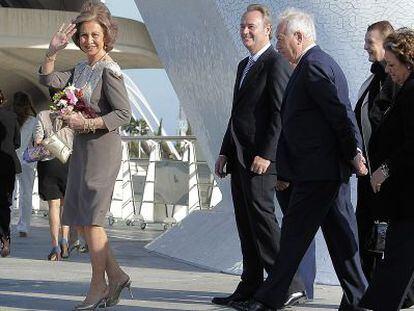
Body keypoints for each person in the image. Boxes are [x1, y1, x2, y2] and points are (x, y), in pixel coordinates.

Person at [241, 8, 369, 311]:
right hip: (323, 172)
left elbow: (340, 112)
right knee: (340, 240)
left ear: (299, 37)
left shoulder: (314, 66)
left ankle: (268, 298)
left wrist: (354, 151)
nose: (278, 44)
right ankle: (361, 300)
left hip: (318, 172)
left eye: (281, 38)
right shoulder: (314, 64)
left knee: (293, 239)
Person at [38, 1, 132, 309]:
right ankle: (116, 275)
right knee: (80, 219)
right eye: (83, 35)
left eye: (94, 34)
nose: (88, 40)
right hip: (82, 149)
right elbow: (49, 82)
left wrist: (86, 122)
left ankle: (98, 286)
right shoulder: (80, 69)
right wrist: (52, 51)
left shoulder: (110, 70)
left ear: (106, 36)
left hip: (103, 149)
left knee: (92, 220)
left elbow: (123, 114)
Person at [214, 4, 307, 309]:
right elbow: (237, 115)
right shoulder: (245, 65)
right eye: (242, 26)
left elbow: (281, 112)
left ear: (267, 29)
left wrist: (268, 154)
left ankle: (288, 285)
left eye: (251, 26)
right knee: (246, 224)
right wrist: (225, 150)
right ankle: (251, 285)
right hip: (239, 158)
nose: (245, 31)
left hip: (260, 161)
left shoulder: (275, 62)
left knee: (264, 223)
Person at [359, 27, 414, 311]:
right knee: (396, 260)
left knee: (395, 262)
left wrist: (384, 170)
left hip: (408, 199)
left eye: (392, 65)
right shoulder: (405, 90)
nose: (389, 71)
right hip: (402, 200)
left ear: (408, 62)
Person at [354, 21, 395, 281]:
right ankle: (365, 288)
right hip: (367, 176)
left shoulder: (398, 83)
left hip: (390, 177)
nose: (365, 47)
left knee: (389, 237)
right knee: (366, 234)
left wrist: (386, 168)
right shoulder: (371, 82)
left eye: (370, 42)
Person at [33, 109, 73, 260]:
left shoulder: (42, 115)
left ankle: (55, 246)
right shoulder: (71, 113)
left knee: (53, 206)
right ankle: (65, 240)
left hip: (48, 163)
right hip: (67, 161)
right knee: (65, 205)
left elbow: (37, 140)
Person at [12, 92, 37, 238]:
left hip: (11, 159)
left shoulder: (9, 118)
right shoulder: (33, 121)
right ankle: (24, 227)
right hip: (28, 161)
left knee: (9, 193)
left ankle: (6, 223)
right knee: (26, 194)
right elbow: (36, 141)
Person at [0, 89, 21, 257]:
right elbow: (17, 142)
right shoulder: (12, 117)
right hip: (8, 165)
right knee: (5, 203)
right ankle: (6, 239)